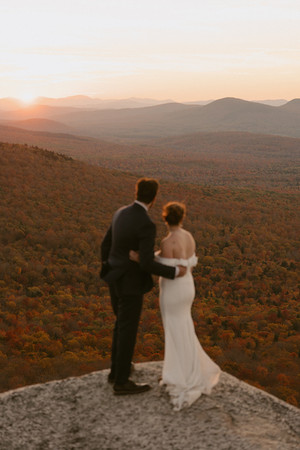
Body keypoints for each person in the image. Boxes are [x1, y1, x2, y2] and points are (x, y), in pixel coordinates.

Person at [130, 202, 221, 410]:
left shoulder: (168, 241)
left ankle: (180, 375)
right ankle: (189, 369)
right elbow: (183, 263)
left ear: (164, 218)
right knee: (184, 325)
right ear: (182, 217)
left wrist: (138, 259)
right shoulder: (188, 236)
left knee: (173, 328)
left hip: (173, 290)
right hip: (188, 286)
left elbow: (164, 266)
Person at [100, 179, 186, 396]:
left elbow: (105, 245)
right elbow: (146, 263)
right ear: (154, 198)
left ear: (136, 192)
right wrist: (174, 272)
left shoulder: (120, 213)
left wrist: (110, 267)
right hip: (130, 284)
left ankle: (116, 371)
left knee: (120, 326)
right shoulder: (146, 224)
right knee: (128, 330)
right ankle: (121, 382)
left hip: (114, 277)